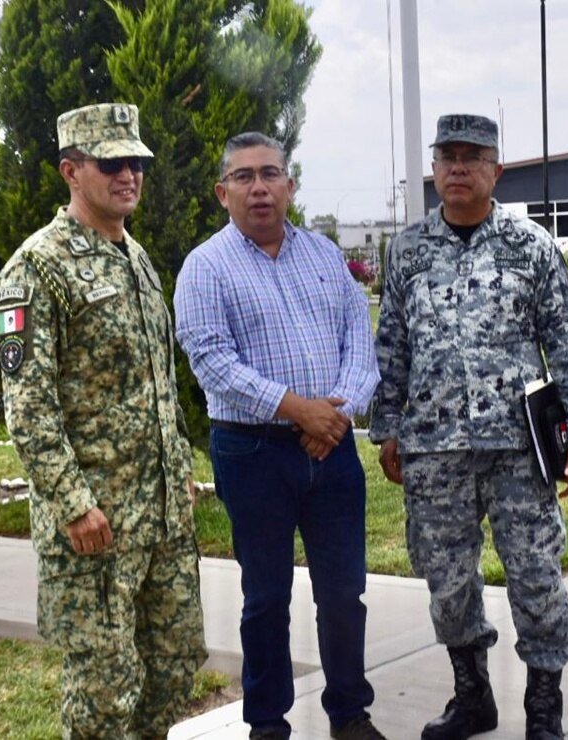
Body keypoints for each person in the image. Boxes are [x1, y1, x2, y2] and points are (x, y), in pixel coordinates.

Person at [369, 114, 568, 740]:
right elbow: (392, 346)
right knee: (446, 582)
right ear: (434, 168)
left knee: (536, 577)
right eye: (448, 157)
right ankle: (472, 697)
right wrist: (386, 426)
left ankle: (544, 707)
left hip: (518, 449)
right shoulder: (409, 251)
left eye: (472, 158)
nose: (458, 168)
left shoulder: (531, 246)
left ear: (496, 170)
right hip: (434, 448)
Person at [0, 103, 207, 739]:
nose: (129, 175)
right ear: (71, 171)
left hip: (161, 516)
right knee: (104, 693)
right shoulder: (36, 269)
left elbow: (159, 383)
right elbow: (28, 408)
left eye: (136, 162)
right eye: (112, 163)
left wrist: (180, 471)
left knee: (174, 666)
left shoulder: (136, 260)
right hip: (97, 527)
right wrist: (73, 504)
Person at [173, 132, 385, 740]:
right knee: (266, 596)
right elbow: (212, 361)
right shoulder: (205, 267)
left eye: (270, 174)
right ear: (223, 193)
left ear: (290, 186)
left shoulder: (323, 256)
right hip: (253, 452)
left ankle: (350, 713)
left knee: (343, 592)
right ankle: (267, 723)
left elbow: (359, 340)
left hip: (332, 449)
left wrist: (335, 414)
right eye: (244, 177)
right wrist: (299, 411)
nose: (259, 187)